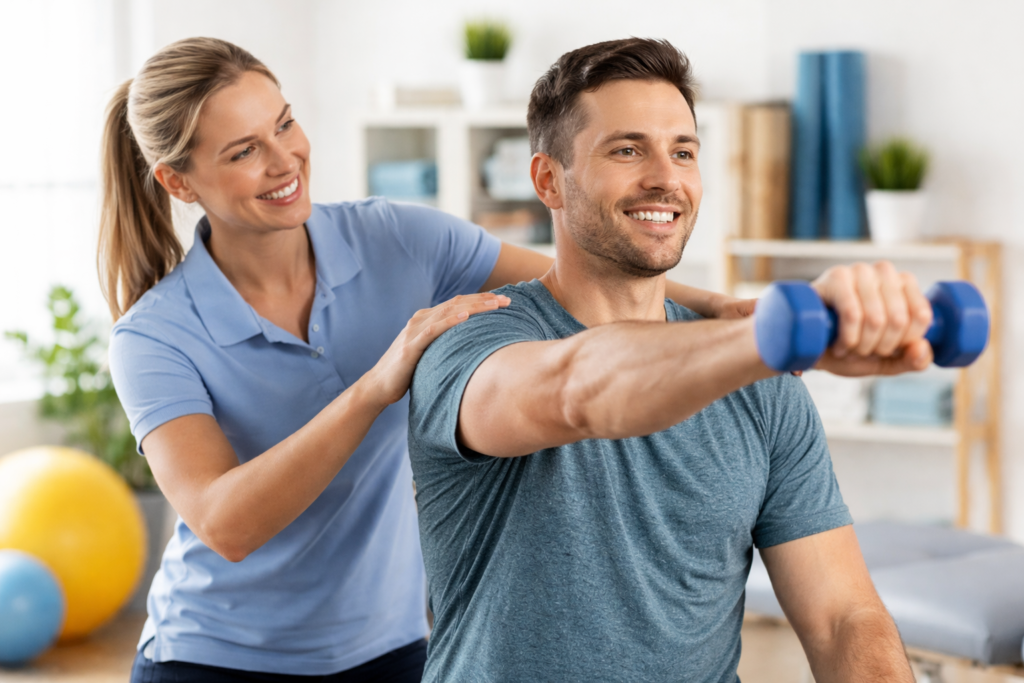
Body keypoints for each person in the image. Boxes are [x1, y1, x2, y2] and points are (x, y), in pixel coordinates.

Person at [99, 37, 742, 682]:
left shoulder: (396, 239)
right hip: (216, 658)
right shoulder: (154, 335)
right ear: (178, 181)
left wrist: (722, 309)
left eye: (285, 124)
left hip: (390, 648)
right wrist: (375, 386)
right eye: (244, 151)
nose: (284, 159)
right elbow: (225, 524)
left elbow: (576, 276)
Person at [409, 38, 929, 682]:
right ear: (548, 180)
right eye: (627, 150)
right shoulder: (471, 343)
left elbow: (843, 616)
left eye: (683, 152)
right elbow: (578, 389)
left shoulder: (763, 386)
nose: (666, 177)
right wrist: (779, 332)